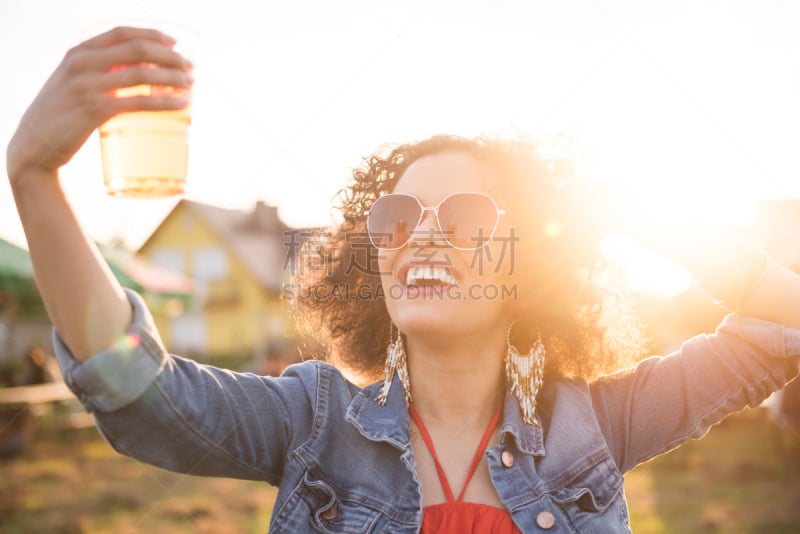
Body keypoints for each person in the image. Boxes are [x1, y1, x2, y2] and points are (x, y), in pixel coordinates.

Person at [7, 27, 800, 533]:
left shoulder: (604, 420)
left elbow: (783, 330)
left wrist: (649, 220)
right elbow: (138, 390)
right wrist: (34, 175)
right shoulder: (310, 421)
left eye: (459, 215)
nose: (419, 233)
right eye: (395, 217)